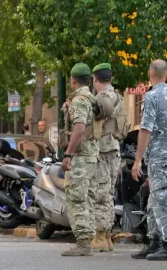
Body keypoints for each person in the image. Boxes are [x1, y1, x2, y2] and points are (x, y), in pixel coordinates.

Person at [131, 59, 167, 261]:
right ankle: (155, 241)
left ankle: (166, 242)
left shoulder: (152, 96)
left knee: (161, 197)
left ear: (150, 73)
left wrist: (137, 161)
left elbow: (146, 129)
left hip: (160, 156)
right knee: (154, 198)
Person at [61, 63, 99, 257]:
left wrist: (68, 154)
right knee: (88, 197)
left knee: (77, 197)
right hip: (93, 154)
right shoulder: (91, 98)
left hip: (82, 156)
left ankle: (83, 243)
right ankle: (88, 239)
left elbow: (80, 128)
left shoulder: (79, 101)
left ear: (73, 80)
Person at [91, 63, 128, 252]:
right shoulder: (118, 97)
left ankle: (100, 235)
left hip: (102, 149)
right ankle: (106, 237)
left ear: (95, 79)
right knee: (109, 193)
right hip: (115, 149)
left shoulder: (101, 99)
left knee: (101, 194)